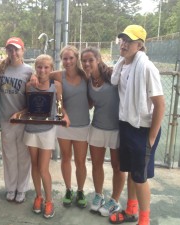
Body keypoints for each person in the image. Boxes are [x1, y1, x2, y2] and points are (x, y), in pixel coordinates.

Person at [109, 25, 165, 225]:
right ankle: (131, 210)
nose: (123, 44)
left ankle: (144, 220)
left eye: (129, 41)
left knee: (140, 177)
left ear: (139, 45)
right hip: (127, 125)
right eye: (122, 39)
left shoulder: (147, 68)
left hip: (144, 129)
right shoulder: (122, 65)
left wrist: (150, 136)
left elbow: (160, 104)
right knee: (131, 171)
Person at [31, 45, 90, 208]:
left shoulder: (85, 76)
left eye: (71, 58)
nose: (68, 61)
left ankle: (80, 190)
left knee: (80, 161)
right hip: (64, 124)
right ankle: (68, 189)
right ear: (61, 60)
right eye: (65, 58)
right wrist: (33, 76)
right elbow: (40, 72)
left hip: (83, 124)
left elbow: (92, 96)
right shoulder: (58, 75)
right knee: (66, 158)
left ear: (76, 58)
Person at [12, 54, 69, 218]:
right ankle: (39, 196)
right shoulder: (29, 86)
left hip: (47, 130)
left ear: (51, 69)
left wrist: (64, 116)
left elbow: (59, 107)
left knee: (43, 168)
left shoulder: (56, 85)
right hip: (31, 129)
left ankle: (49, 201)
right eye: (39, 67)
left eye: (46, 67)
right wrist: (18, 113)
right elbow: (27, 108)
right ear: (35, 68)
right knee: (35, 166)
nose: (42, 70)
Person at [80, 47, 126, 216]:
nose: (87, 63)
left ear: (98, 59)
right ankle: (99, 196)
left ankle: (114, 200)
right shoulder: (87, 81)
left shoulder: (113, 75)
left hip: (117, 129)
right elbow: (91, 104)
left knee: (118, 167)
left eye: (90, 60)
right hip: (97, 127)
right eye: (84, 61)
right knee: (96, 164)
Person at [0, 37, 33, 203]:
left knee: (23, 156)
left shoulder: (28, 71)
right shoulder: (1, 69)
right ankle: (11, 188)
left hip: (22, 120)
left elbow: (32, 100)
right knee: (9, 156)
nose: (13, 52)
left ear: (22, 50)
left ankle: (22, 188)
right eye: (10, 49)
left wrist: (21, 113)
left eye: (16, 49)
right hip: (5, 120)